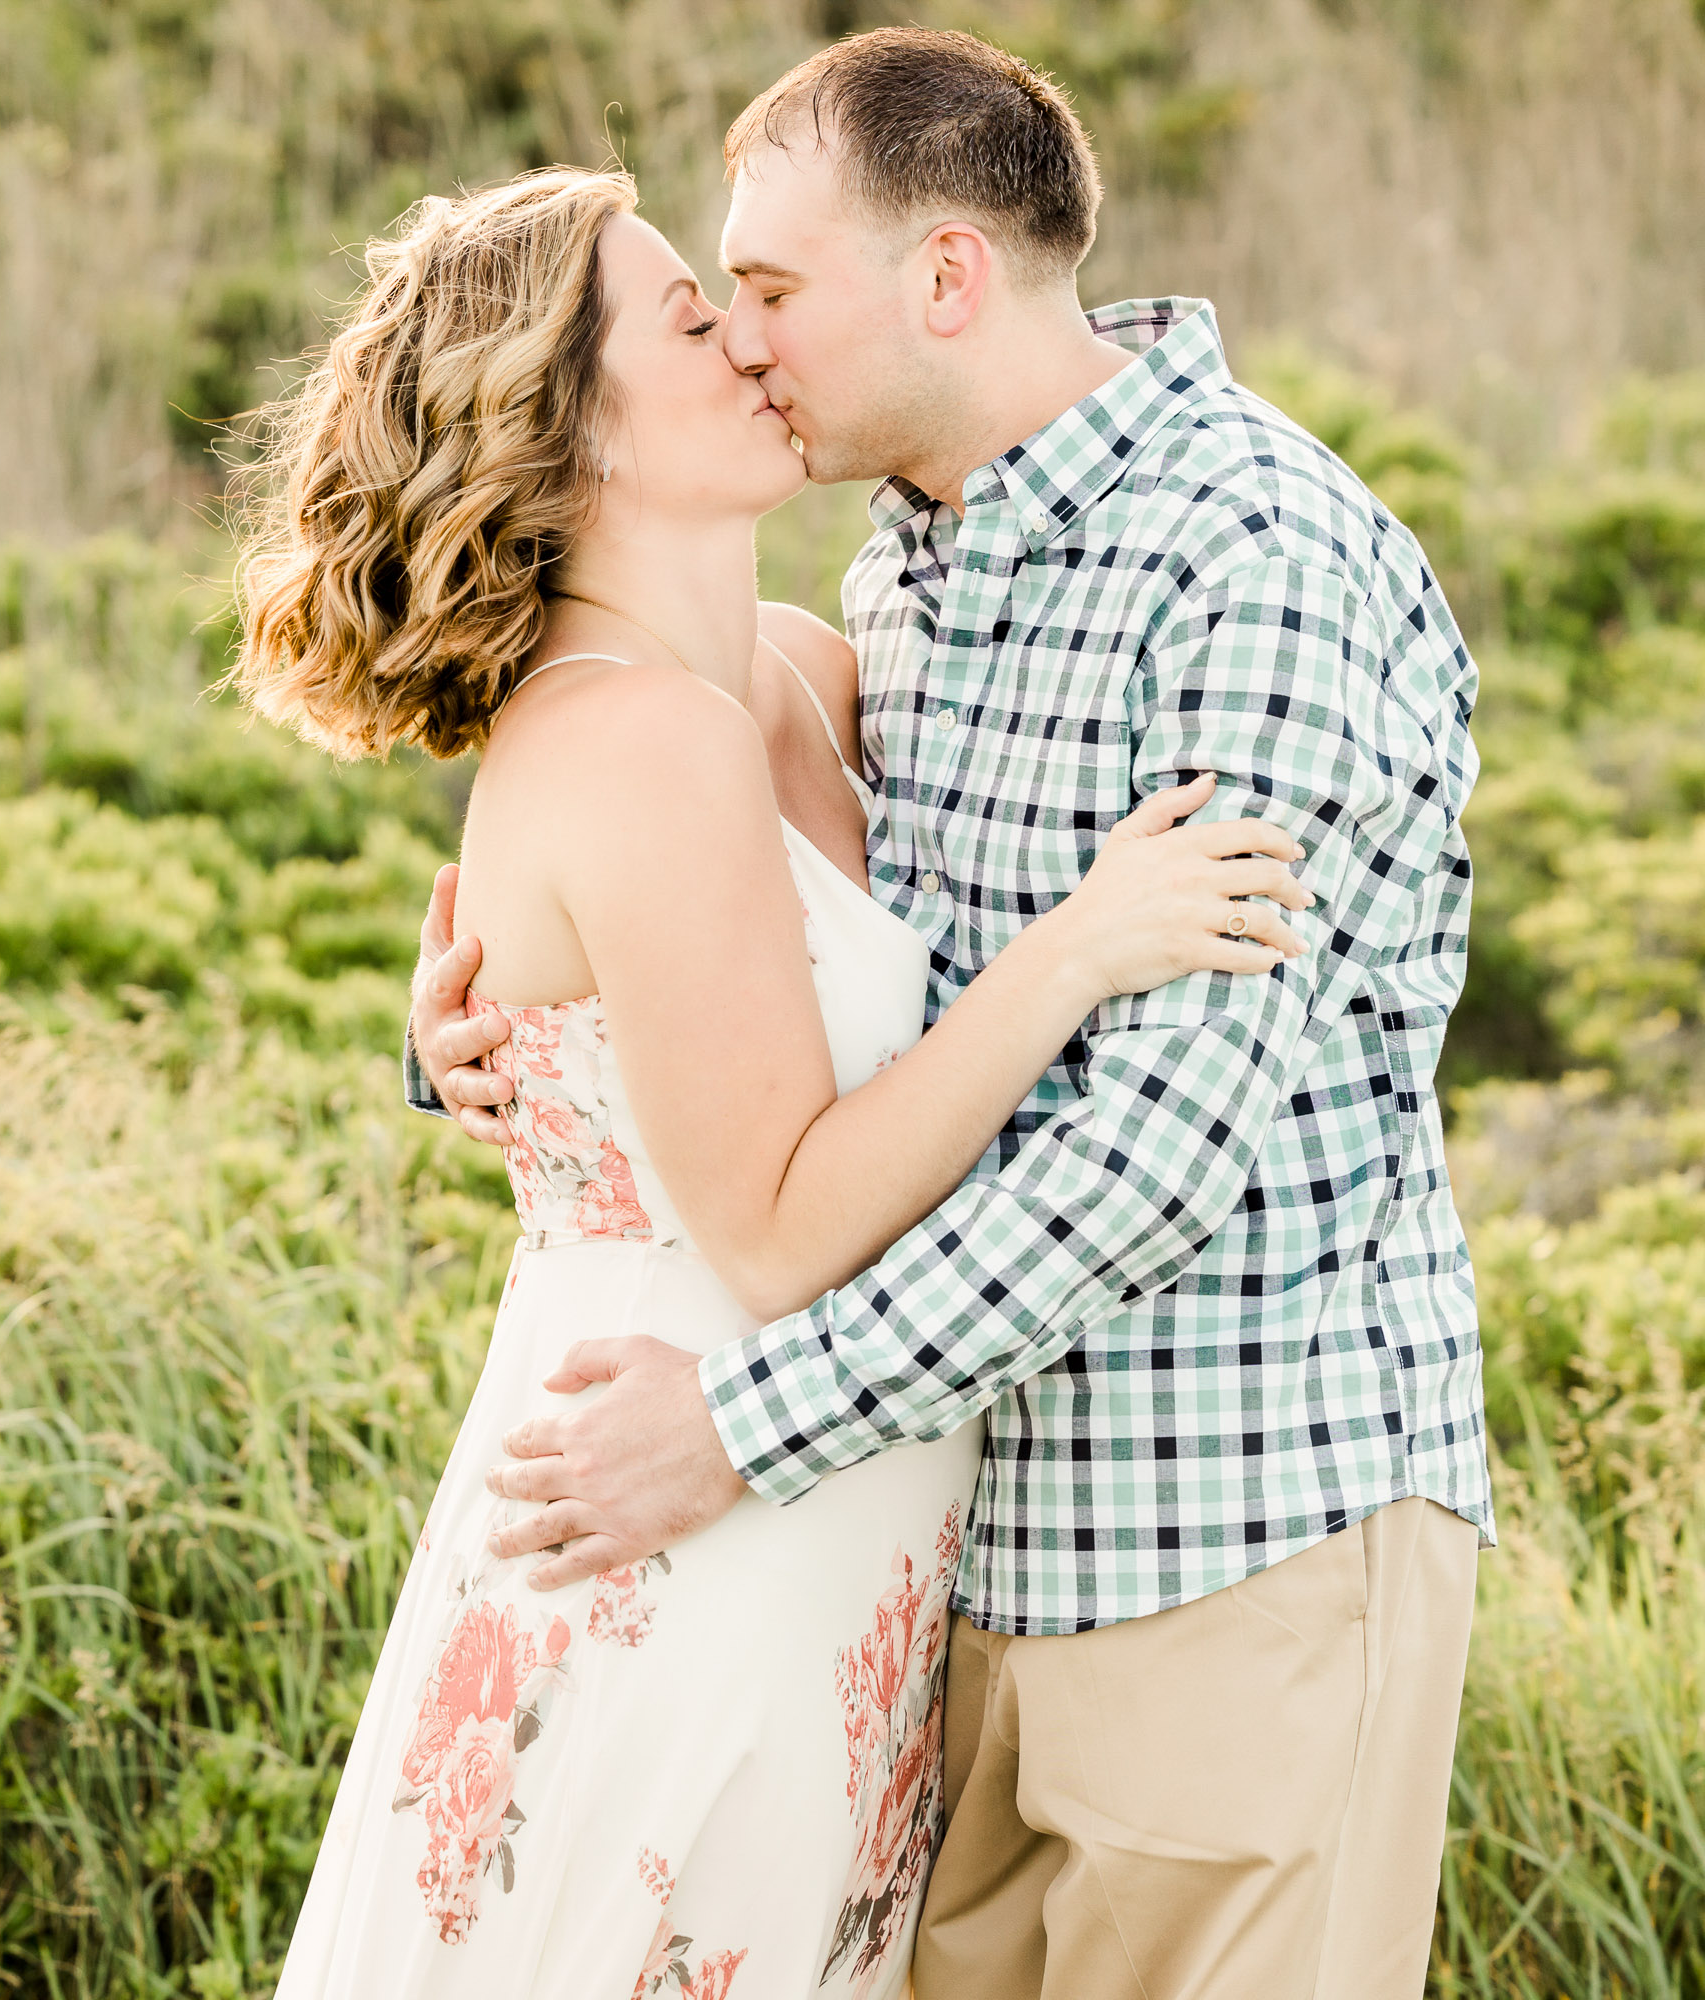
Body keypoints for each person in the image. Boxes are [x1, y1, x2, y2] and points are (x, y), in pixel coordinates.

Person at [410, 28, 1491, 2000]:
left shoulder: (1255, 558)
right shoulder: (895, 581)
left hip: (1228, 1545)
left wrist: (745, 1425)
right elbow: (778, 973)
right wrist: (497, 1034)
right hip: (944, 1571)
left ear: (944, 281)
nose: (746, 341)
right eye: (715, 300)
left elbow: (1155, 1158)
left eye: (771, 287)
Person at [230, 125, 1318, 1995]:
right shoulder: (630, 741)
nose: (747, 337)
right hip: (677, 1536)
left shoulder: (808, 672)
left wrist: (463, 1052)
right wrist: (1081, 954)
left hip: (836, 1525)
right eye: (688, 315)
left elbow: (705, 1016)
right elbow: (779, 1226)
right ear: (567, 427)